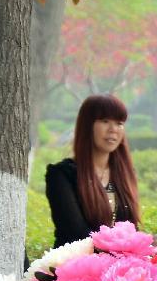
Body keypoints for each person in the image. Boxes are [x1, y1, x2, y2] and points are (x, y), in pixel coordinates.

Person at [45, 94, 141, 248]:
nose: (113, 129)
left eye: (119, 123)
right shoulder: (62, 175)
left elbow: (131, 229)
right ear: (87, 125)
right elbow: (77, 234)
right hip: (74, 266)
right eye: (105, 121)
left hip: (117, 266)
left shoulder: (124, 175)